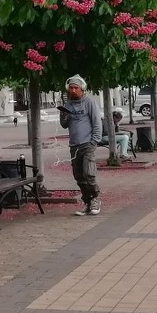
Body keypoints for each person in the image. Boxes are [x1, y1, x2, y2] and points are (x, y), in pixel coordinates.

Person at [58, 75, 104, 215]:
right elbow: (64, 125)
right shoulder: (68, 104)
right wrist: (63, 114)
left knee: (89, 173)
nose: (73, 90)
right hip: (74, 146)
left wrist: (94, 141)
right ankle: (87, 202)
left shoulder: (89, 102)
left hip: (87, 144)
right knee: (78, 176)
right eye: (71, 88)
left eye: (76, 88)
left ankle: (95, 199)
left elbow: (97, 123)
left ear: (82, 88)